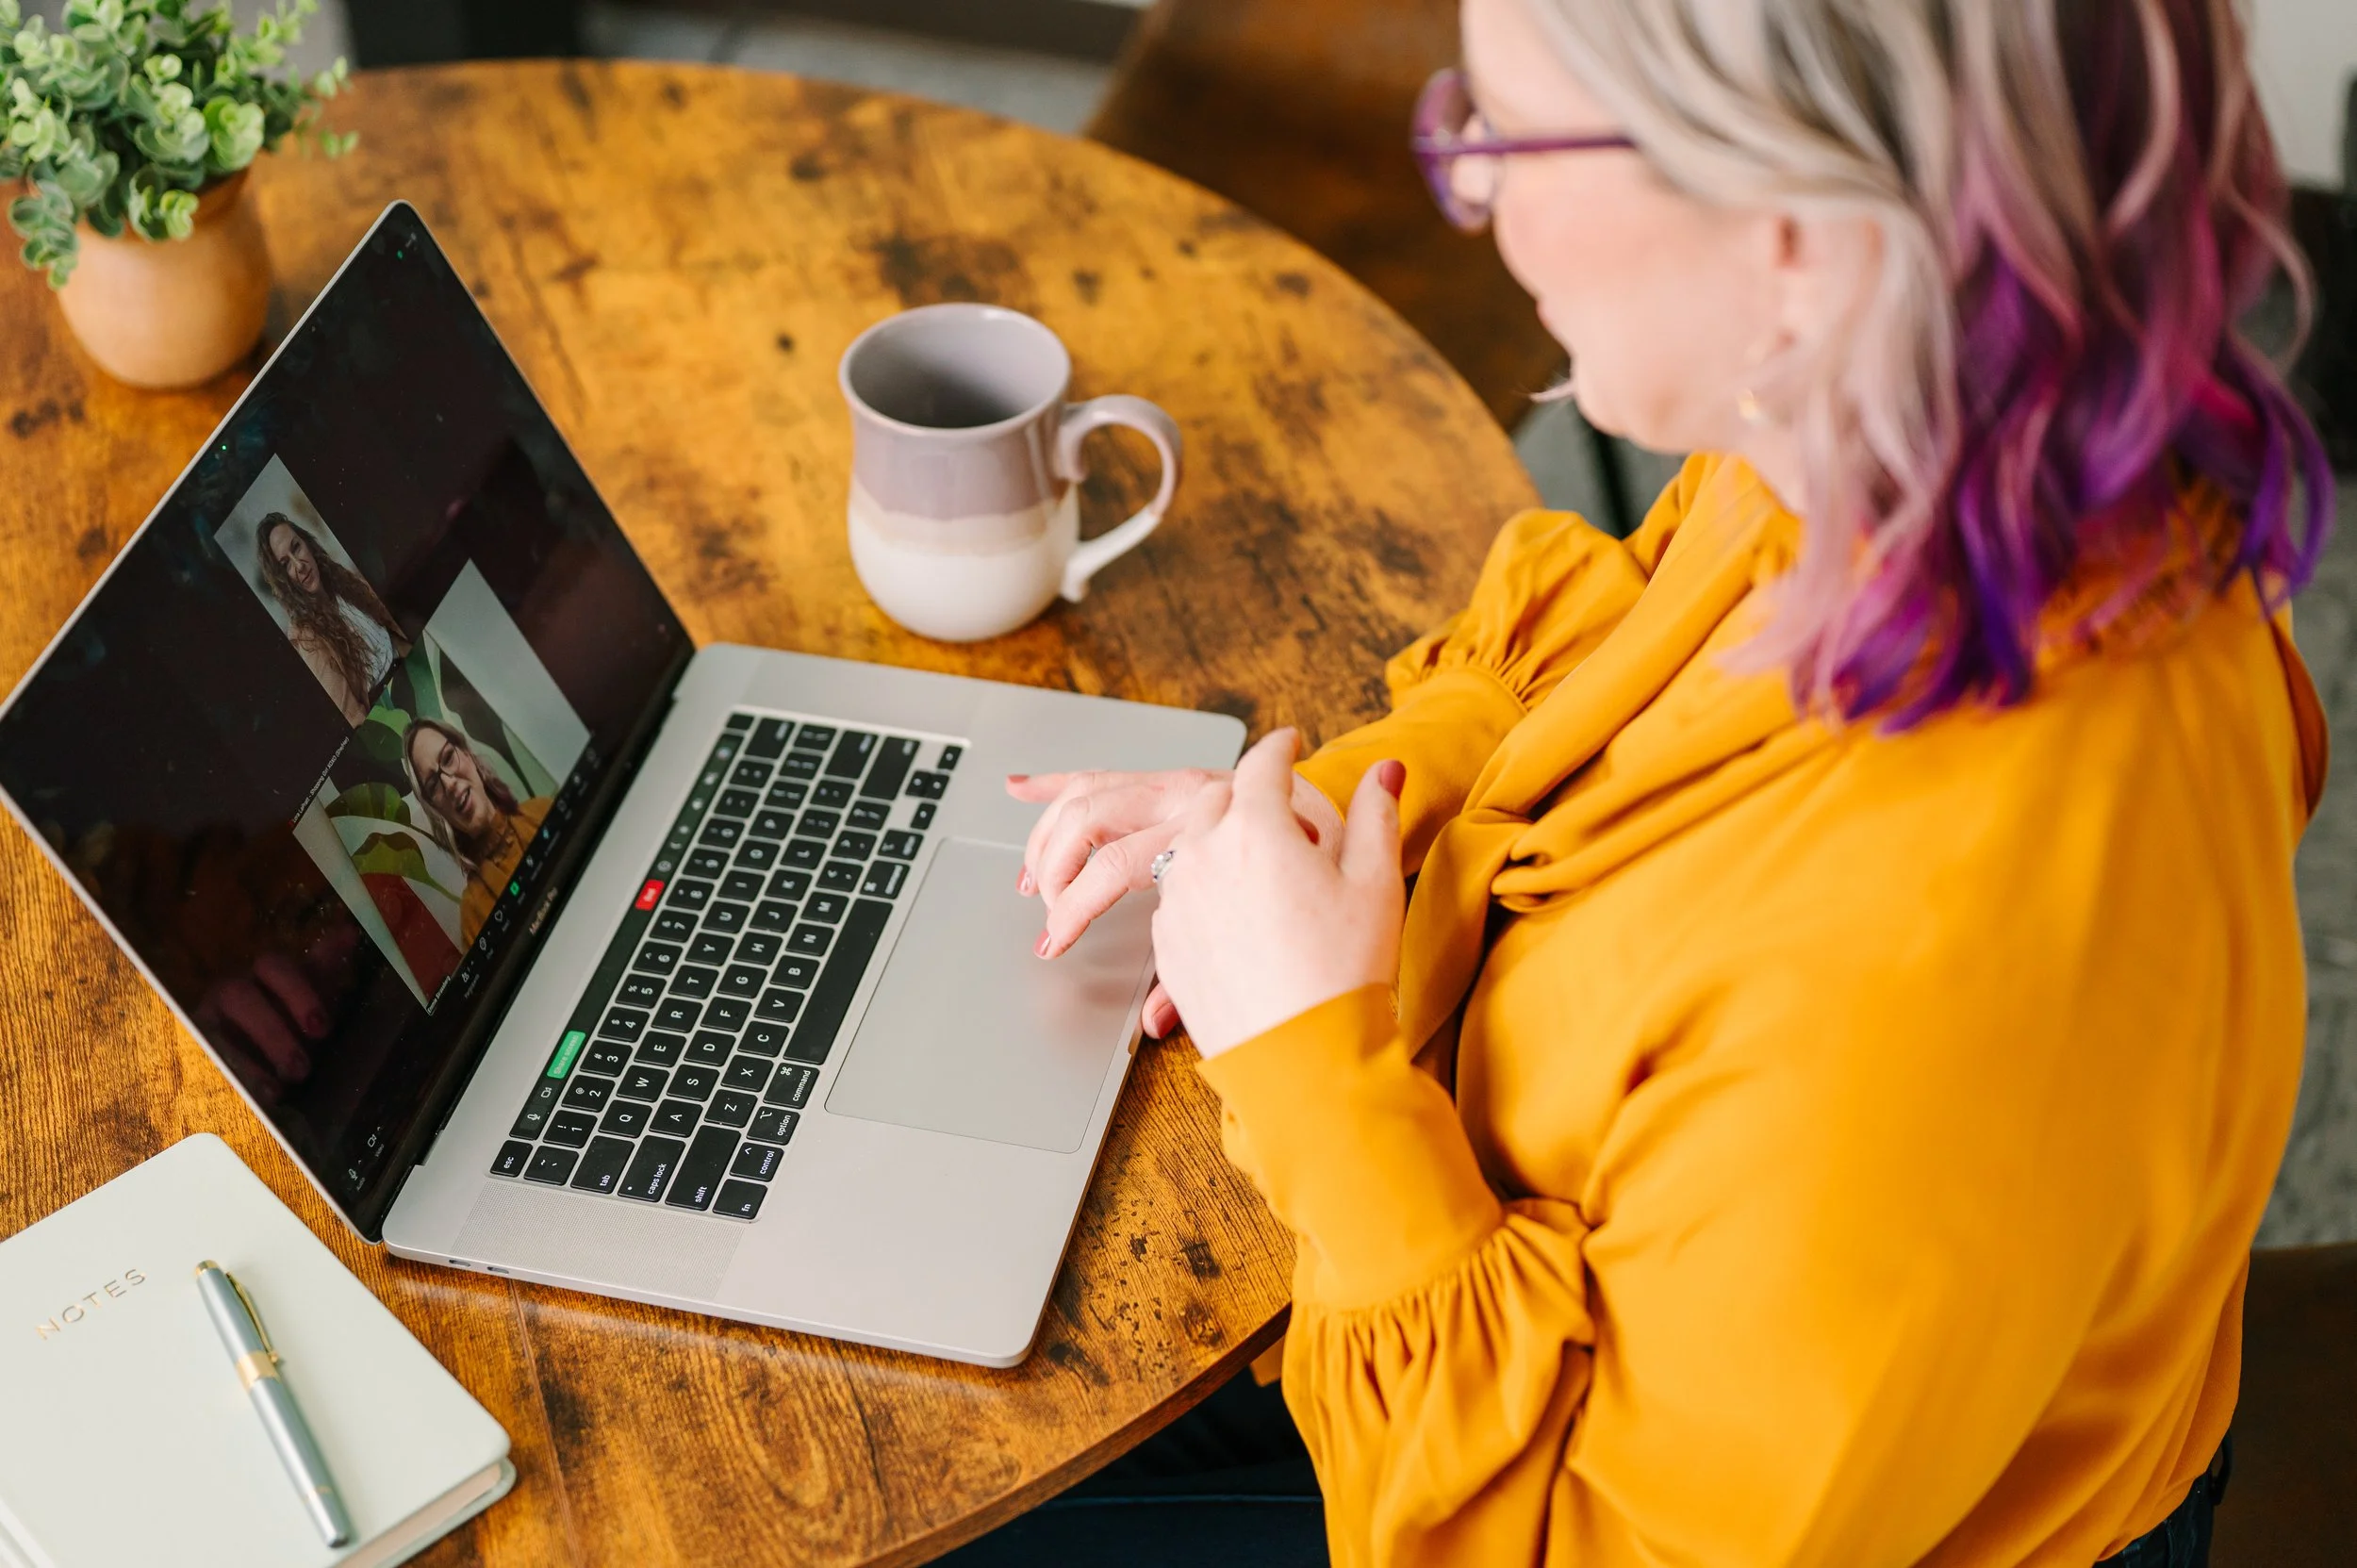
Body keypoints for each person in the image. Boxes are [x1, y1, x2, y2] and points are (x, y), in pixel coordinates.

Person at [971, 1, 2333, 1564]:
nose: (1474, 195)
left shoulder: (1924, 971)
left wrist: (1316, 1069)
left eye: (1506, 136)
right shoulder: (1901, 427)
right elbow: (1631, 648)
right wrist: (1353, 821)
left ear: (1796, 232)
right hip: (1550, 1316)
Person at [402, 718, 551, 949]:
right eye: (433, 785)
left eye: (448, 758)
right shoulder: (474, 919)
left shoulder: (543, 812)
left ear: (468, 754)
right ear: (436, 810)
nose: (449, 784)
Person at [255, 512, 410, 725]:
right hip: (388, 711)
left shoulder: (340, 578)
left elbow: (390, 624)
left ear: (307, 543)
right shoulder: (306, 637)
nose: (299, 565)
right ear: (283, 581)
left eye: (296, 547)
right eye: (285, 564)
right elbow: (353, 716)